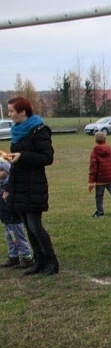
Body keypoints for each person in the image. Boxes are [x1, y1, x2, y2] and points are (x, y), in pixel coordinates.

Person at [2, 96, 59, 275]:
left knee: (35, 225)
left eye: (11, 111)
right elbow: (15, 162)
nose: (9, 114)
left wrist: (23, 156)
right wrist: (8, 188)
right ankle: (38, 261)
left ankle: (51, 261)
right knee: (27, 226)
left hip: (34, 185)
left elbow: (47, 157)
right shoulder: (18, 131)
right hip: (19, 184)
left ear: (23, 111)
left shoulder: (39, 130)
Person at [0, 158, 33, 268]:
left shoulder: (9, 186)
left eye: (1, 171)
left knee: (17, 235)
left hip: (13, 216)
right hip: (5, 217)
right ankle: (13, 256)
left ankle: (26, 256)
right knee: (9, 235)